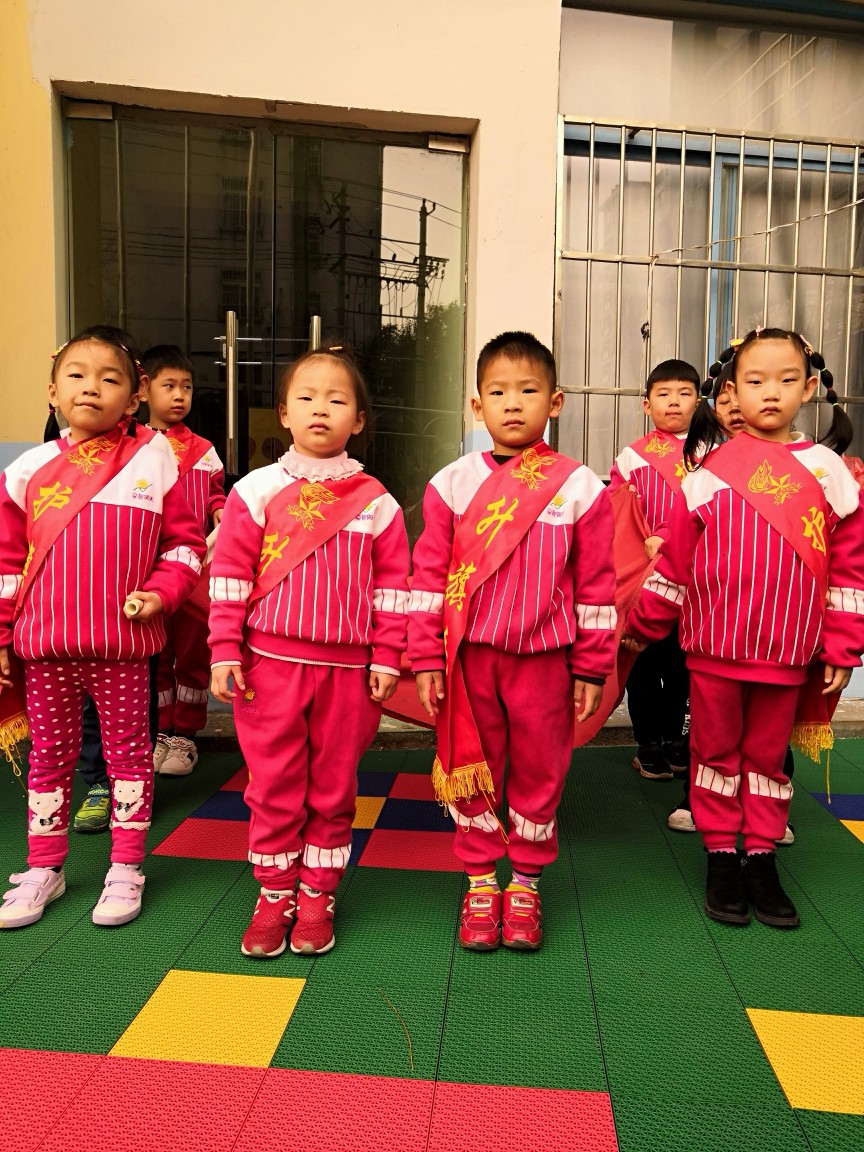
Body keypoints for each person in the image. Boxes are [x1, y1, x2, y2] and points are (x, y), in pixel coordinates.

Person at [624, 327, 864, 929]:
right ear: (731, 389)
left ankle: (760, 853)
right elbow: (676, 563)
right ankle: (721, 856)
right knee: (713, 753)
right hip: (714, 650)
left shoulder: (830, 472)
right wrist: (644, 624)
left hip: (787, 652)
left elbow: (848, 569)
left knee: (766, 758)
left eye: (787, 380)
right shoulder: (709, 470)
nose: (770, 392)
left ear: (809, 388)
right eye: (755, 381)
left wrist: (843, 646)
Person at [409, 331, 617, 952]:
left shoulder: (579, 486)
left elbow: (597, 586)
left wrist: (592, 667)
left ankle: (525, 881)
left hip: (546, 665)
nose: (513, 403)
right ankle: (479, 879)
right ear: (477, 406)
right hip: (468, 660)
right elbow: (428, 577)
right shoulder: (451, 483)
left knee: (540, 771)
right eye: (498, 392)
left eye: (528, 391)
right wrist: (424, 655)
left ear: (555, 402)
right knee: (472, 768)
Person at [0, 325, 205, 929]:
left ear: (135, 397)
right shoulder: (27, 470)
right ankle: (45, 867)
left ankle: (126, 867)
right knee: (49, 758)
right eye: (77, 376)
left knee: (129, 758)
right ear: (52, 392)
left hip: (123, 648)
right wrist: (2, 635)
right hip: (45, 649)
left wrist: (162, 594)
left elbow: (185, 546)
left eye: (109, 379)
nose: (91, 387)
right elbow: (7, 564)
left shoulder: (156, 458)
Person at [209, 344, 409, 959]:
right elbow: (229, 577)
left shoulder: (377, 502)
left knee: (333, 788)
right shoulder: (254, 490)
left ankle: (318, 893)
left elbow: (394, 591)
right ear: (284, 413)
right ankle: (275, 893)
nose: (321, 408)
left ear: (359, 420)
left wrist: (387, 657)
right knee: (272, 785)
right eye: (306, 397)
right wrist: (223, 650)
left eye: (337, 399)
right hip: (267, 669)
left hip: (348, 675)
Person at [666, 360, 795, 843]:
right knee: (710, 734)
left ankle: (765, 828)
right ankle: (707, 818)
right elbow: (682, 548)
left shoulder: (811, 469)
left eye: (779, 381)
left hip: (780, 640)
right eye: (730, 397)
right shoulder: (705, 469)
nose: (743, 405)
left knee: (770, 743)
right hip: (717, 635)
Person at [608, 359, 699, 780]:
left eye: (684, 393)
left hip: (695, 582)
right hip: (644, 582)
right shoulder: (632, 457)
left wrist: (668, 535)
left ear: (698, 401)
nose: (673, 402)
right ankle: (648, 744)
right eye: (663, 394)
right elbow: (616, 514)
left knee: (683, 665)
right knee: (641, 660)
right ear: (647, 405)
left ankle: (677, 742)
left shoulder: (714, 453)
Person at [143, 345, 226, 777]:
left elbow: (215, 492)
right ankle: (160, 731)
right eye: (169, 386)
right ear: (144, 390)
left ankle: (186, 735)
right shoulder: (133, 448)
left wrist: (219, 509)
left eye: (187, 387)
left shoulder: (204, 450)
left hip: (194, 567)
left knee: (193, 649)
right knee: (158, 650)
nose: (179, 395)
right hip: (148, 570)